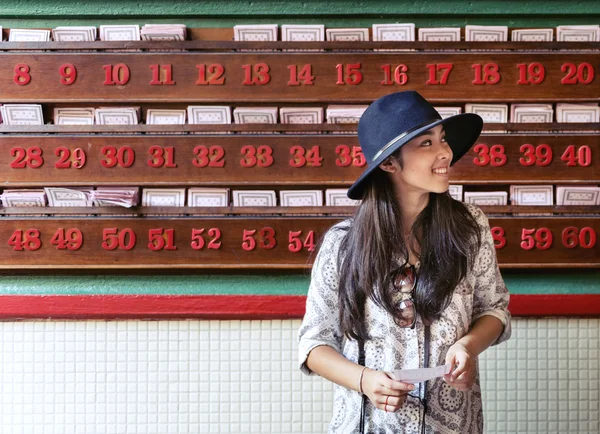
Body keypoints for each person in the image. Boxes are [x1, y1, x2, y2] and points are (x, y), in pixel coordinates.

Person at [298, 91, 511, 433]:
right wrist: (365, 380)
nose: (446, 152)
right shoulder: (344, 242)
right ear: (388, 163)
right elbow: (314, 343)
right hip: (368, 424)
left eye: (443, 140)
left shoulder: (470, 228)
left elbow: (495, 309)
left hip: (454, 425)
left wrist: (468, 346)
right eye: (426, 144)